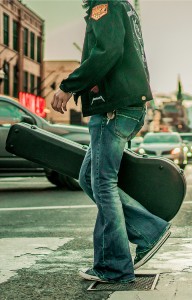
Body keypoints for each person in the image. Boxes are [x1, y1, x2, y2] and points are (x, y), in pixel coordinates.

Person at [52, 0, 170, 283]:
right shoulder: (122, 6)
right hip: (125, 105)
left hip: (113, 108)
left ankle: (113, 265)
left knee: (102, 182)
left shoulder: (104, 6)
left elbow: (108, 51)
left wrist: (69, 86)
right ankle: (149, 230)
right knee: (89, 177)